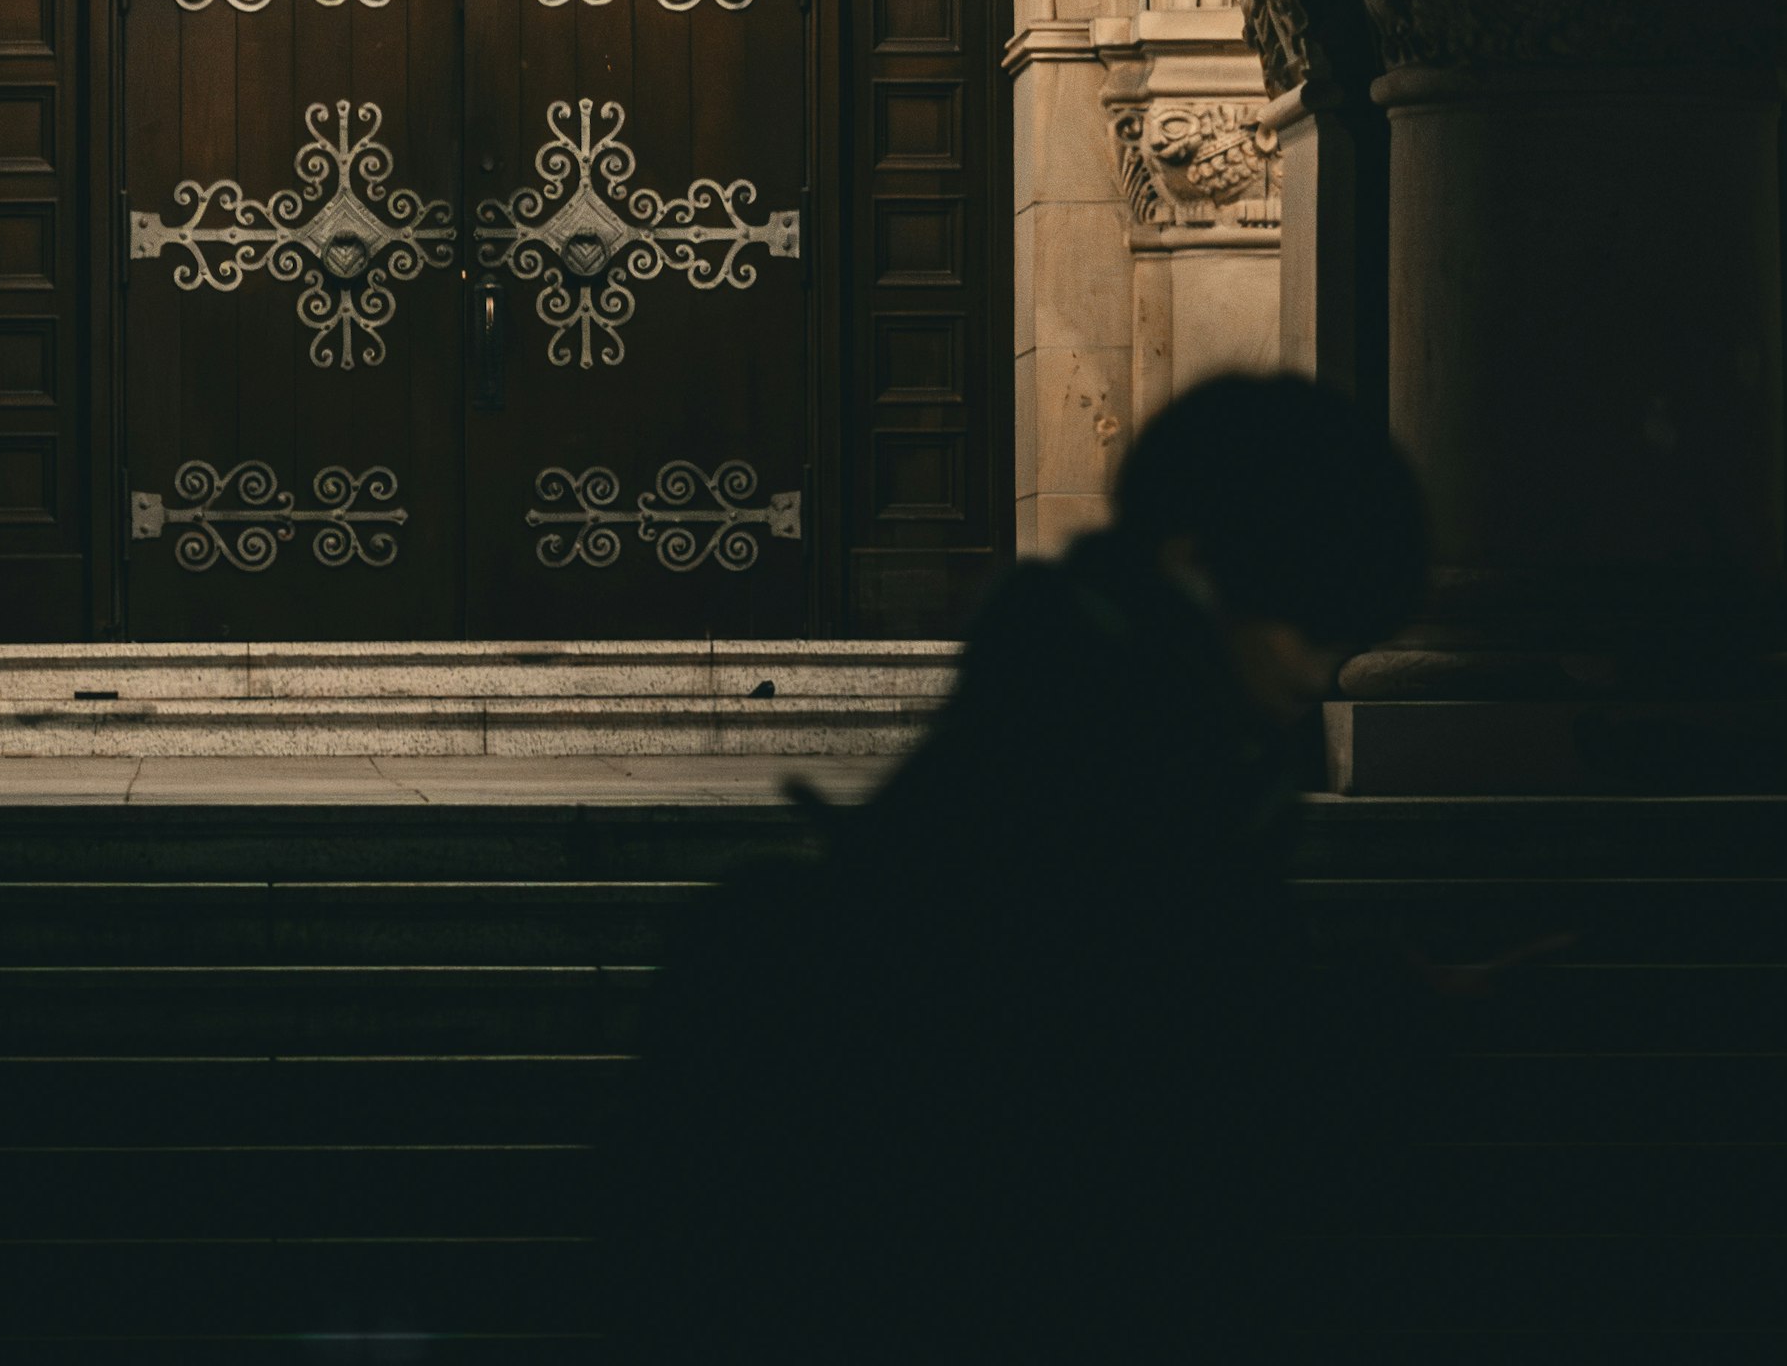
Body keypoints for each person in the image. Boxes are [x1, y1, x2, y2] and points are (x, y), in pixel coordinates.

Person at [612, 373, 1431, 1361]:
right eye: (1314, 623)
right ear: (1194, 565)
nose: (1320, 671)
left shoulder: (1090, 732)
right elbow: (1125, 1090)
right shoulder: (1109, 781)